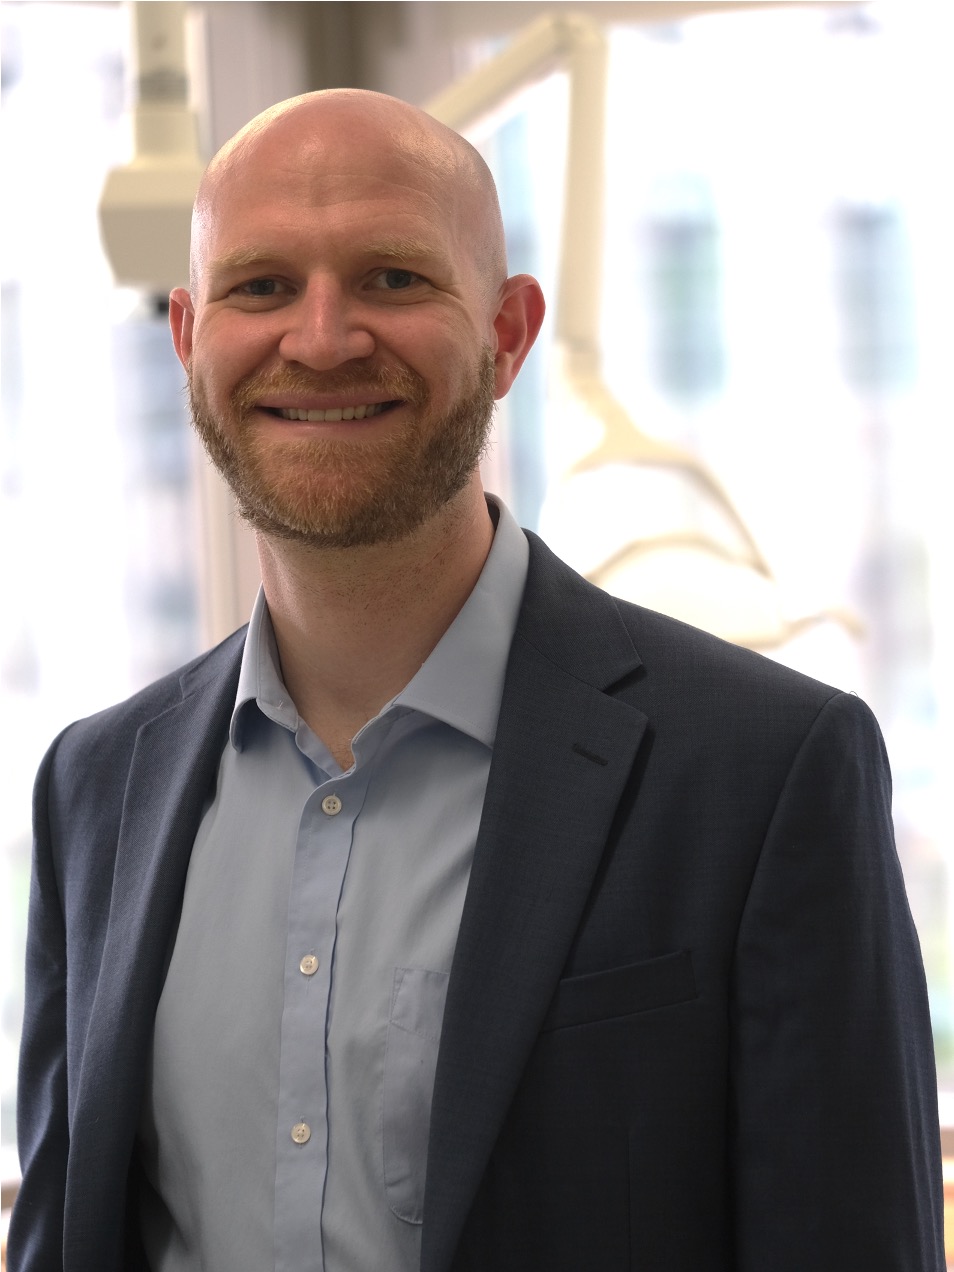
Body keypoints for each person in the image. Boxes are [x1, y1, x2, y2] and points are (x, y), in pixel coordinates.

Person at [8, 89, 944, 1272]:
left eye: (393, 278)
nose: (322, 338)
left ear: (508, 334)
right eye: (262, 286)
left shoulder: (762, 775)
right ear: (189, 338)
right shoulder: (96, 789)